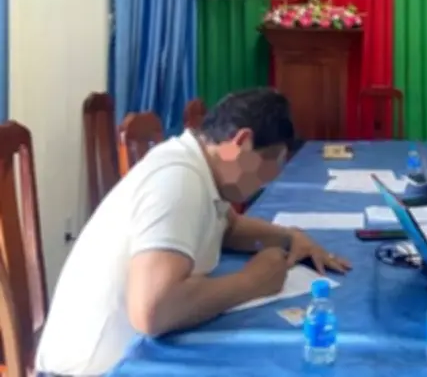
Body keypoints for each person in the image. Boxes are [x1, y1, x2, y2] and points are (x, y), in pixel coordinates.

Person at [36, 88, 352, 376]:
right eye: (272, 164)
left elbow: (229, 227)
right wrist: (253, 281)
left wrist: (289, 237)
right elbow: (152, 311)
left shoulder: (197, 165)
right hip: (95, 369)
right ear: (242, 142)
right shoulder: (178, 180)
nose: (268, 180)